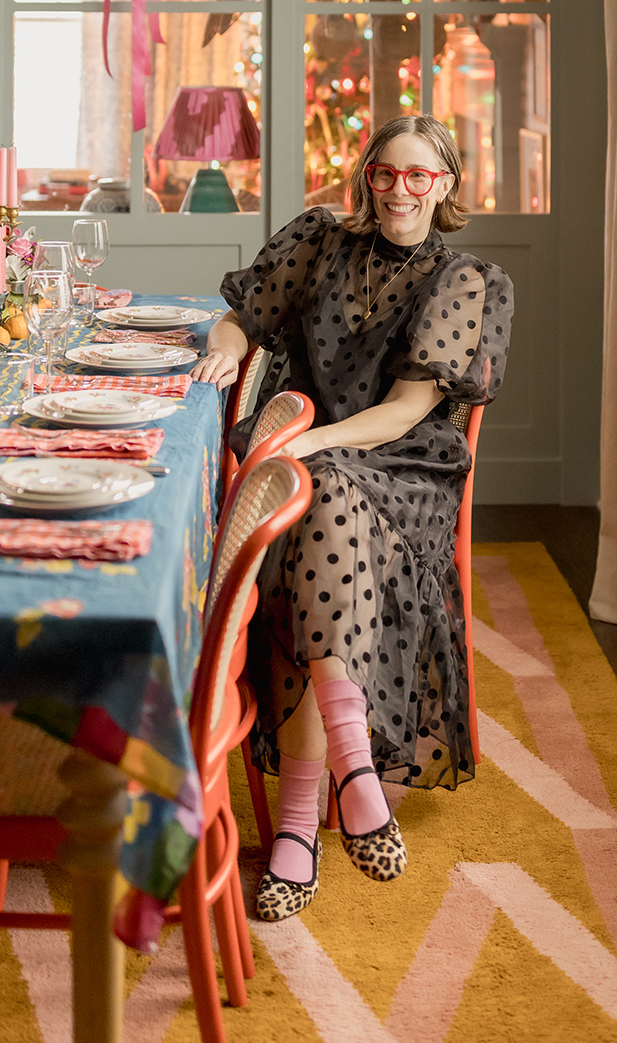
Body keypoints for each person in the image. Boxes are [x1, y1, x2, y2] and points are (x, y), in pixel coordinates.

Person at [192, 115, 513, 920]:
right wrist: (229, 345)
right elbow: (246, 314)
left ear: (445, 186)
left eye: (418, 176)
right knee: (318, 515)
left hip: (402, 469)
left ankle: (299, 827)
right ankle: (352, 771)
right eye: (384, 174)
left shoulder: (465, 279)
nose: (399, 191)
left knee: (318, 497)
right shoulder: (318, 240)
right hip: (314, 465)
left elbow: (406, 412)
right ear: (364, 178)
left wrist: (305, 447)